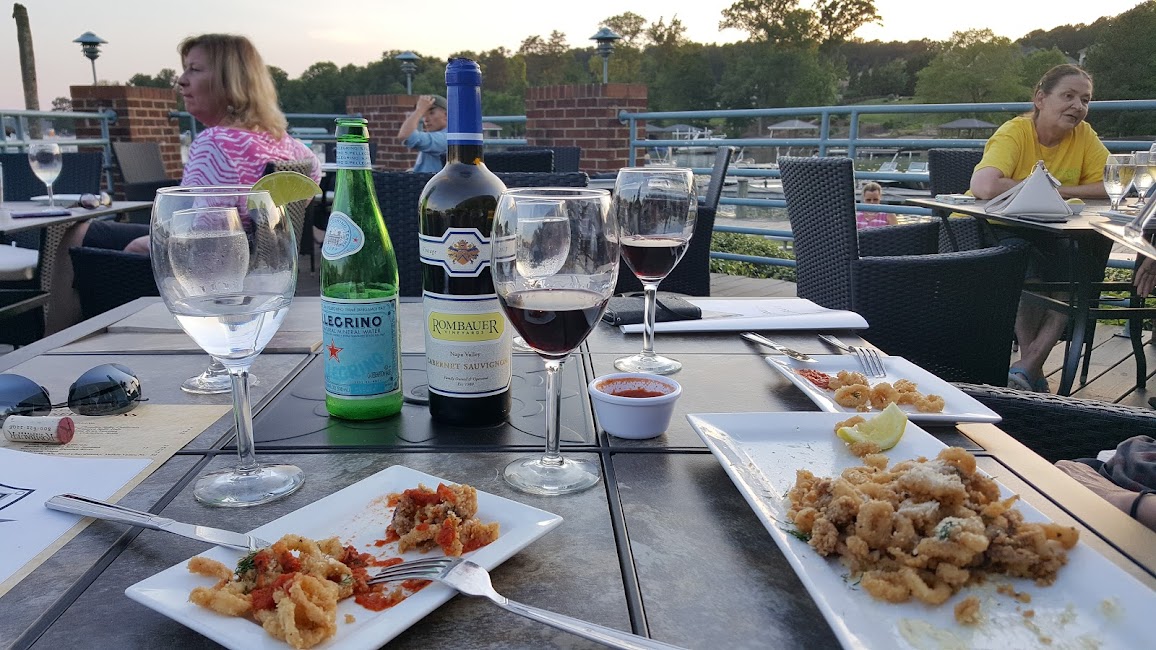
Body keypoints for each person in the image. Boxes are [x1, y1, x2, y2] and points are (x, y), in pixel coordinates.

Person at [45, 33, 321, 333]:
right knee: (87, 231)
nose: (181, 80)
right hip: (264, 274)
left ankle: (58, 337)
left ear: (231, 81)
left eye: (195, 69)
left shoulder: (215, 143)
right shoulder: (289, 144)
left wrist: (142, 244)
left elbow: (201, 241)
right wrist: (258, 231)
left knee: (75, 235)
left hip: (214, 282)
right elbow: (311, 181)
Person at [969, 64, 1110, 393]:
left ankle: (1026, 367)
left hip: (1056, 231)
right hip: (1002, 226)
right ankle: (1030, 368)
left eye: (1085, 100)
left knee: (1077, 271)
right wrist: (1057, 190)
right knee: (1028, 266)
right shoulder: (1015, 132)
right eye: (1068, 96)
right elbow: (984, 185)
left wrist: (1053, 190)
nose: (1077, 106)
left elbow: (1112, 184)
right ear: (1040, 99)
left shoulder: (1083, 135)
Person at [396, 95, 447, 172]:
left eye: (431, 113)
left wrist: (419, 110)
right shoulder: (436, 136)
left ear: (446, 115)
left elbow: (405, 135)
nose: (425, 119)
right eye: (424, 115)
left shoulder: (446, 138)